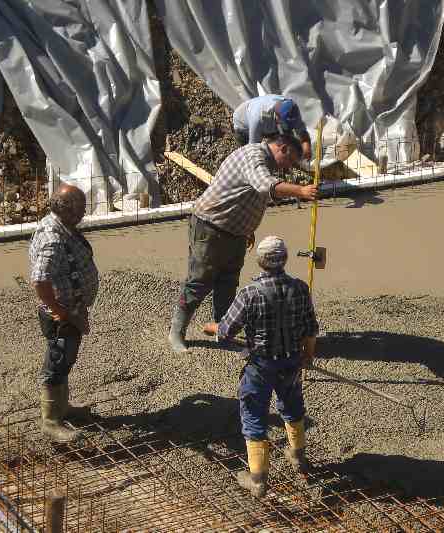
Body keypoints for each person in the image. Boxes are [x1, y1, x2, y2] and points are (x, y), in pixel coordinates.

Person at [168, 135, 318, 354]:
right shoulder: (254, 156)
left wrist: (248, 228)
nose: (289, 166)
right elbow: (265, 185)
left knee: (228, 282)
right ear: (283, 148)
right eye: (290, 160)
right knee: (199, 281)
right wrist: (301, 191)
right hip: (211, 225)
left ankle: (223, 331)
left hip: (235, 232)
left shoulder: (265, 163)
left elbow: (249, 195)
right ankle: (177, 331)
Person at [202, 235, 318, 497]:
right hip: (291, 363)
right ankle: (298, 456)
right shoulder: (300, 288)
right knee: (293, 407)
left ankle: (257, 480)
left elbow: (226, 331)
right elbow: (311, 329)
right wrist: (308, 357)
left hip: (261, 366)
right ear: (284, 259)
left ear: (260, 262)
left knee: (254, 415)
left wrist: (212, 328)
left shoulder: (250, 293)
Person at [28, 183, 99, 443]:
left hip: (71, 310)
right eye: (80, 207)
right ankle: (51, 421)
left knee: (66, 358)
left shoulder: (59, 226)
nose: (84, 212)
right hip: (63, 314)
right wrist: (59, 311)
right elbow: (40, 280)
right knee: (57, 362)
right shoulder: (53, 239)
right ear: (67, 210)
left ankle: (63, 407)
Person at [233, 95, 312, 160]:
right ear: (277, 116)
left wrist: (306, 144)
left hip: (269, 121)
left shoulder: (292, 108)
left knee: (285, 138)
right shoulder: (258, 119)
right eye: (284, 124)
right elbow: (253, 149)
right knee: (249, 154)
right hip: (242, 124)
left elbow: (301, 130)